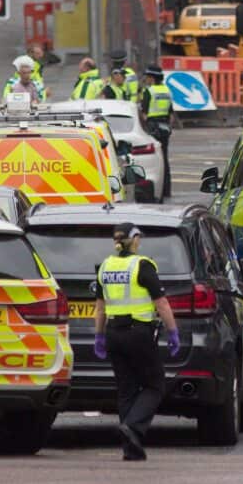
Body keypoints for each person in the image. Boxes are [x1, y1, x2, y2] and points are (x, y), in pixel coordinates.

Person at [93, 222, 181, 462]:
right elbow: (161, 303)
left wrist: (99, 336)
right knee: (155, 385)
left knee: (127, 389)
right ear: (133, 240)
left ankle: (130, 447)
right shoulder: (141, 265)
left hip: (113, 333)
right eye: (138, 237)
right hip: (138, 332)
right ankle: (132, 426)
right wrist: (173, 332)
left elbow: (100, 308)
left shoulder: (106, 267)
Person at [139, 67, 173, 201]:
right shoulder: (166, 90)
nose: (146, 79)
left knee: (156, 160)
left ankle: (157, 190)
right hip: (164, 126)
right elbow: (171, 113)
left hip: (152, 127)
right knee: (165, 158)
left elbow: (144, 113)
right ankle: (166, 190)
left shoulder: (149, 91)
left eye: (147, 76)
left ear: (152, 78)